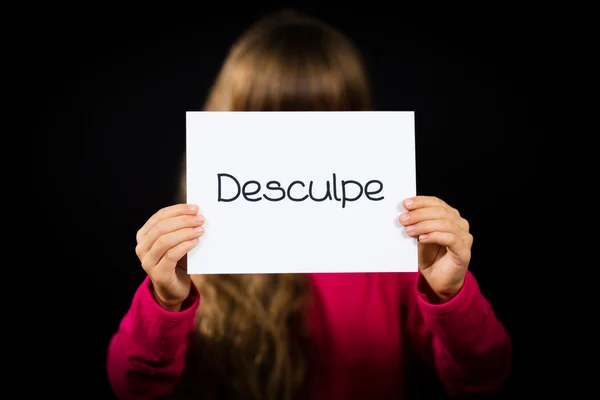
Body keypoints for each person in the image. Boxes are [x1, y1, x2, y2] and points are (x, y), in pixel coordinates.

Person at [106, 10, 511, 400]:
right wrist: (164, 301)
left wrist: (450, 295)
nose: (299, 148)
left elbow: (482, 378)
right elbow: (135, 388)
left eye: (325, 121)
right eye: (274, 120)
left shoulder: (392, 256)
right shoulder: (198, 257)